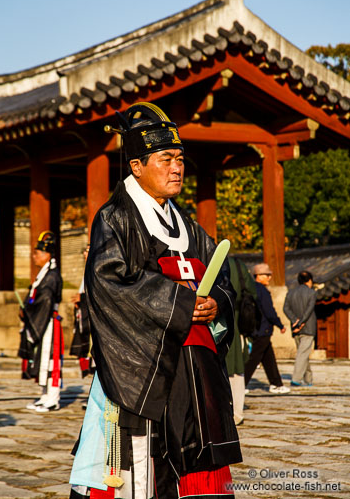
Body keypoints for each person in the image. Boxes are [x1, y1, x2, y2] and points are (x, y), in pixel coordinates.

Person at [69, 102, 241, 499]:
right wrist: (181, 305)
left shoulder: (192, 229)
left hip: (197, 377)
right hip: (140, 371)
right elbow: (107, 283)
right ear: (136, 166)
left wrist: (216, 303)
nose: (177, 168)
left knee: (199, 471)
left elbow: (224, 284)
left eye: (180, 159)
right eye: (166, 159)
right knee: (140, 472)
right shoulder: (115, 219)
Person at [18, 231, 63, 412]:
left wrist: (29, 312)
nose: (34, 257)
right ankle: (45, 395)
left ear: (47, 255)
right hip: (42, 320)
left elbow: (44, 301)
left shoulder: (52, 276)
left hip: (49, 322)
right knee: (41, 359)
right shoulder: (44, 275)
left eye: (37, 253)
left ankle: (53, 399)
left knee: (51, 360)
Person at [244, 263, 290, 394]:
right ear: (258, 276)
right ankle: (241, 384)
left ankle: (276, 383)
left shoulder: (250, 288)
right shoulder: (262, 290)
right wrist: (280, 324)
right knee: (254, 358)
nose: (269, 277)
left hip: (256, 328)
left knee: (268, 357)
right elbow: (269, 311)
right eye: (266, 275)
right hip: (263, 328)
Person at [226, 257, 257, 425]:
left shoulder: (201, 259)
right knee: (237, 370)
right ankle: (237, 412)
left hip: (209, 324)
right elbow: (253, 293)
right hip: (236, 324)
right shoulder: (239, 265)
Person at [283, 270, 317, 387]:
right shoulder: (312, 293)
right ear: (309, 280)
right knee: (302, 354)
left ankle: (308, 379)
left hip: (295, 328)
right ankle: (296, 379)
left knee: (303, 353)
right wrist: (301, 322)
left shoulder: (291, 293)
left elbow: (285, 308)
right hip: (308, 328)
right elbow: (309, 310)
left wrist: (295, 321)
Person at [70, 244, 94, 379]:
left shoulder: (96, 270)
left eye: (88, 251)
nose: (85, 254)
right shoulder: (87, 270)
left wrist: (83, 297)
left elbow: (98, 293)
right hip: (83, 313)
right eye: (84, 251)